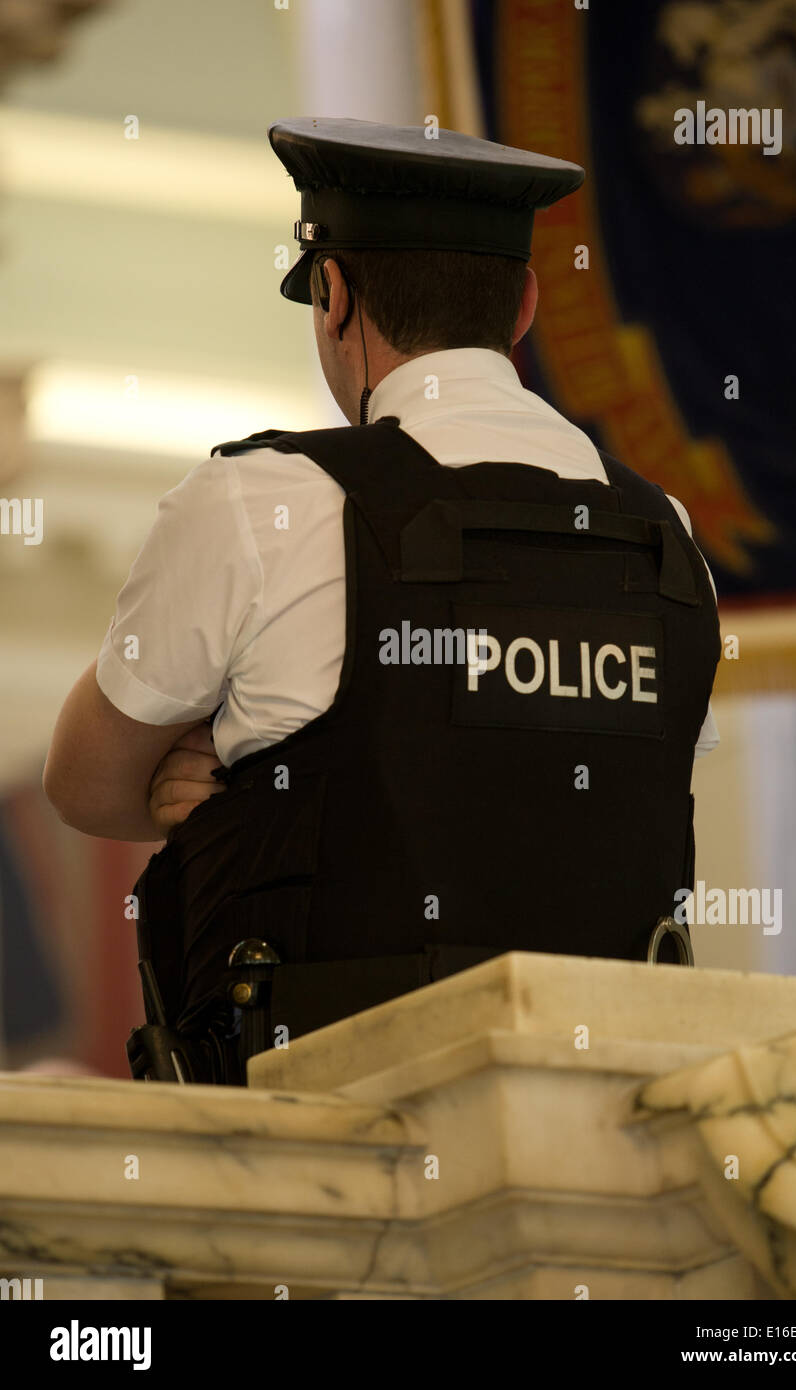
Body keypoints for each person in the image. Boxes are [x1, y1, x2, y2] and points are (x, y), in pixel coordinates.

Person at [43, 118, 721, 1084]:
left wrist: (243, 791)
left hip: (323, 1145)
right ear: (522, 307)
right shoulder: (667, 535)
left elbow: (82, 781)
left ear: (333, 293)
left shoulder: (264, 498)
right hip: (614, 1133)